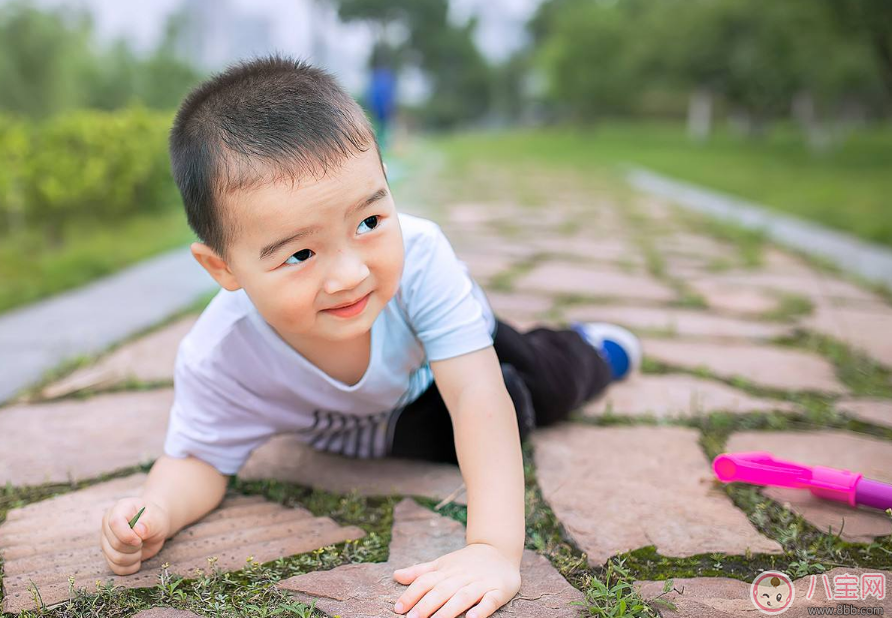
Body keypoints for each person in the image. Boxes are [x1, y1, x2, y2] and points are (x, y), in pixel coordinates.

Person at [98, 54, 642, 618]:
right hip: (384, 416)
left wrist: (491, 549)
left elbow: (477, 398)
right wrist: (157, 507)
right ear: (223, 269)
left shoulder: (420, 261)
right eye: (301, 254)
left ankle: (590, 348)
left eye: (368, 223)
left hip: (452, 354)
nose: (351, 274)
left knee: (535, 390)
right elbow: (200, 461)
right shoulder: (219, 356)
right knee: (456, 435)